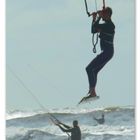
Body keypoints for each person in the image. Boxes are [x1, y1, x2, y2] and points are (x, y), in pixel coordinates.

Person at [85, 7, 115, 98]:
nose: (102, 15)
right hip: (107, 52)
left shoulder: (109, 25)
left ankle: (92, 92)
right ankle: (92, 92)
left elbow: (95, 27)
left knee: (89, 68)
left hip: (107, 52)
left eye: (103, 14)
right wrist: (95, 18)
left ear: (108, 15)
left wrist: (97, 17)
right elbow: (93, 31)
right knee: (94, 71)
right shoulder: (105, 25)